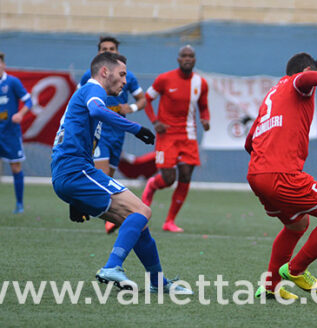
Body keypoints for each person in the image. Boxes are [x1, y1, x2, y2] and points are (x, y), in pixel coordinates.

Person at [51, 52, 192, 294]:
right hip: (75, 171)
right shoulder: (92, 90)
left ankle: (158, 282)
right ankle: (112, 266)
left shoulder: (86, 95)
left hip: (72, 175)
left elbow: (72, 139)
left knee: (137, 224)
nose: (125, 80)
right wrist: (135, 128)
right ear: (104, 72)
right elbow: (96, 111)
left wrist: (76, 200)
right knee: (142, 211)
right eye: (122, 74)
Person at [245, 52, 317, 300]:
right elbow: (305, 80)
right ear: (306, 70)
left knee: (297, 224)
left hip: (256, 175)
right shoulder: (300, 84)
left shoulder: (272, 95)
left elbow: (249, 141)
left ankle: (269, 287)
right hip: (282, 175)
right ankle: (296, 270)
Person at [79, 35, 146, 234]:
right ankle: (109, 215)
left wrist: (131, 107)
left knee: (108, 175)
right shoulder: (89, 78)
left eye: (112, 48)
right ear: (98, 53)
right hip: (98, 132)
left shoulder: (128, 76)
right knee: (101, 176)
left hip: (118, 134)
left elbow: (142, 99)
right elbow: (80, 100)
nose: (108, 51)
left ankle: (90, 206)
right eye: (103, 49)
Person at [141, 45, 210, 233]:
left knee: (186, 175)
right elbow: (146, 99)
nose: (187, 59)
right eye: (184, 56)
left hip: (188, 135)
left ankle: (169, 221)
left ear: (195, 60)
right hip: (167, 136)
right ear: (178, 59)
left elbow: (203, 106)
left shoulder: (200, 83)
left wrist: (206, 119)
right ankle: (152, 184)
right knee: (168, 179)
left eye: (191, 56)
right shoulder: (164, 79)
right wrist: (155, 122)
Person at [0, 52, 33, 214]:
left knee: (15, 167)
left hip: (10, 133)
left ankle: (19, 204)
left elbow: (29, 100)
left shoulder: (12, 82)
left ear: (3, 65)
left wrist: (20, 114)